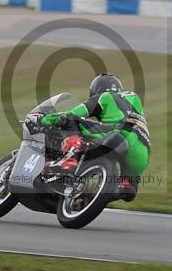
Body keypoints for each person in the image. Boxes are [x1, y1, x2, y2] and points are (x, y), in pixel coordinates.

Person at [36, 74, 150, 202]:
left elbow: (72, 114)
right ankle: (90, 198)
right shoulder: (133, 98)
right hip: (142, 152)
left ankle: (69, 161)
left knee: (71, 120)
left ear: (96, 89)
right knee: (127, 190)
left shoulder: (104, 97)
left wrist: (43, 119)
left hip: (118, 133)